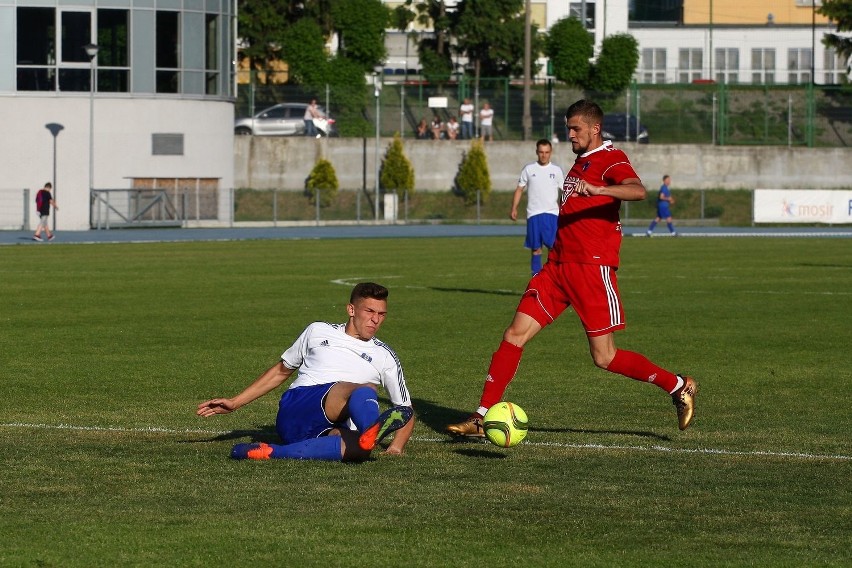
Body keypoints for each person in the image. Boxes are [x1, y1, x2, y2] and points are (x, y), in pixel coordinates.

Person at [446, 100, 698, 438]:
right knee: (513, 335)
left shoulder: (611, 158)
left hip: (591, 271)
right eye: (568, 128)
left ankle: (678, 385)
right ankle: (481, 415)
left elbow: (638, 190)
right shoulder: (579, 164)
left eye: (575, 128)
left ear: (595, 129)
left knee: (604, 357)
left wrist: (600, 189)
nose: (570, 134)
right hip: (558, 268)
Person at [197, 282, 415, 461]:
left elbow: (405, 410)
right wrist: (235, 402)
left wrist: (396, 447)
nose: (375, 320)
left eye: (381, 314)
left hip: (310, 431)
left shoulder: (385, 355)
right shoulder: (318, 330)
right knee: (365, 389)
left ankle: (272, 453)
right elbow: (281, 371)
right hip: (298, 405)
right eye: (369, 311)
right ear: (351, 309)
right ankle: (372, 430)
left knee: (360, 449)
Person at [510, 139, 564, 275]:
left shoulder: (556, 171)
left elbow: (565, 192)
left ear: (551, 153)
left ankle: (554, 280)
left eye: (546, 152)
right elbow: (519, 189)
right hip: (533, 215)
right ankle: (536, 282)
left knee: (553, 249)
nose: (544, 155)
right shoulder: (529, 169)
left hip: (552, 215)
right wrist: (514, 208)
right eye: (541, 152)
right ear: (536, 152)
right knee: (536, 249)